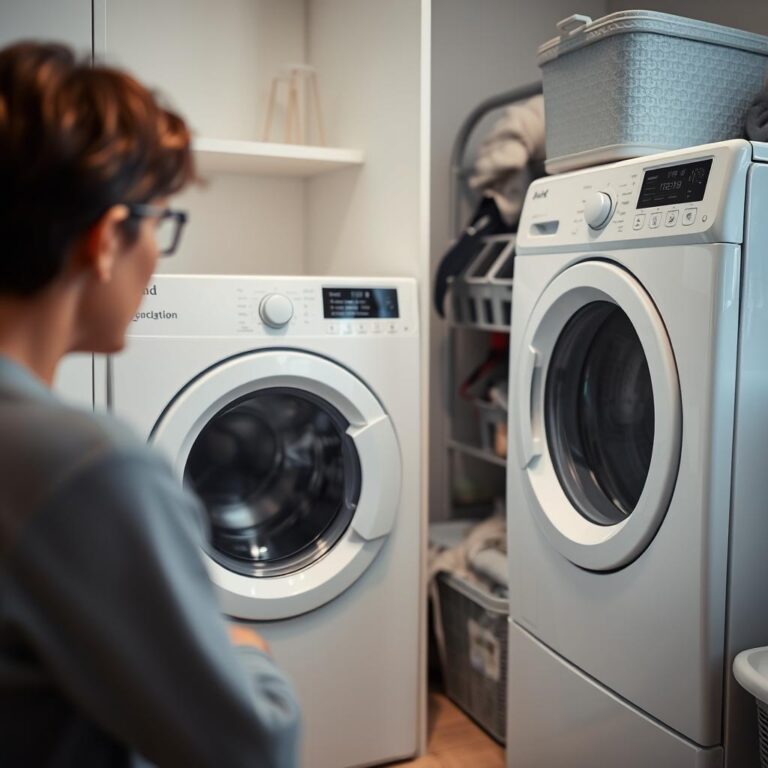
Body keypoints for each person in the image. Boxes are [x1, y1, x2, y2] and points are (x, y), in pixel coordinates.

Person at [0, 42, 300, 767]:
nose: (159, 257)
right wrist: (248, 648)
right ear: (105, 240)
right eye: (163, 224)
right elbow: (254, 748)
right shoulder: (88, 468)